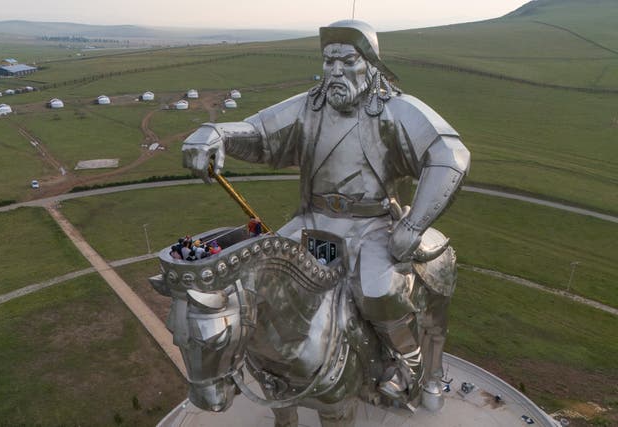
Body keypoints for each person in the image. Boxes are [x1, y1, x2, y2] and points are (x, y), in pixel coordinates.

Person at [182, 20, 470, 410]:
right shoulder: (308, 106)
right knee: (255, 274)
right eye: (329, 61)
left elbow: (449, 156)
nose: (335, 71)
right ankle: (259, 359)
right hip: (312, 222)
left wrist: (415, 225)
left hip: (371, 227)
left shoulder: (395, 111)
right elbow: (258, 133)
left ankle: (407, 364)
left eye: (347, 60)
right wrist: (215, 133)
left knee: (378, 290)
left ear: (370, 63)